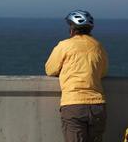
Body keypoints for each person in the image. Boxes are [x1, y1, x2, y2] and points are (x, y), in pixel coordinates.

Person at [45, 10, 108, 142]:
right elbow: (103, 72)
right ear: (90, 29)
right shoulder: (98, 46)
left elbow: (50, 69)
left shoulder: (64, 45)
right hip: (98, 106)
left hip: (73, 104)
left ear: (72, 29)